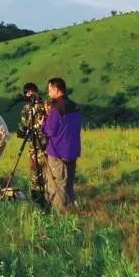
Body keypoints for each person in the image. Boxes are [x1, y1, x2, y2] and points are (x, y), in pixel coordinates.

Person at [41, 77, 81, 213]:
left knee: (56, 185)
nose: (48, 93)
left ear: (56, 89)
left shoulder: (56, 107)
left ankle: (61, 215)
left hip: (58, 151)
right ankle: (71, 210)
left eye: (50, 89)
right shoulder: (74, 106)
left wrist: (43, 124)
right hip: (72, 150)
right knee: (68, 184)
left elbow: (50, 130)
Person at [18, 83, 49, 208]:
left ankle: (49, 197)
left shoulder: (46, 105)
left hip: (46, 143)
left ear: (36, 91)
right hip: (33, 144)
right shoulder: (26, 108)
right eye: (26, 93)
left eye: (31, 91)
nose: (29, 94)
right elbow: (24, 125)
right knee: (34, 171)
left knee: (47, 170)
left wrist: (39, 108)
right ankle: (36, 198)